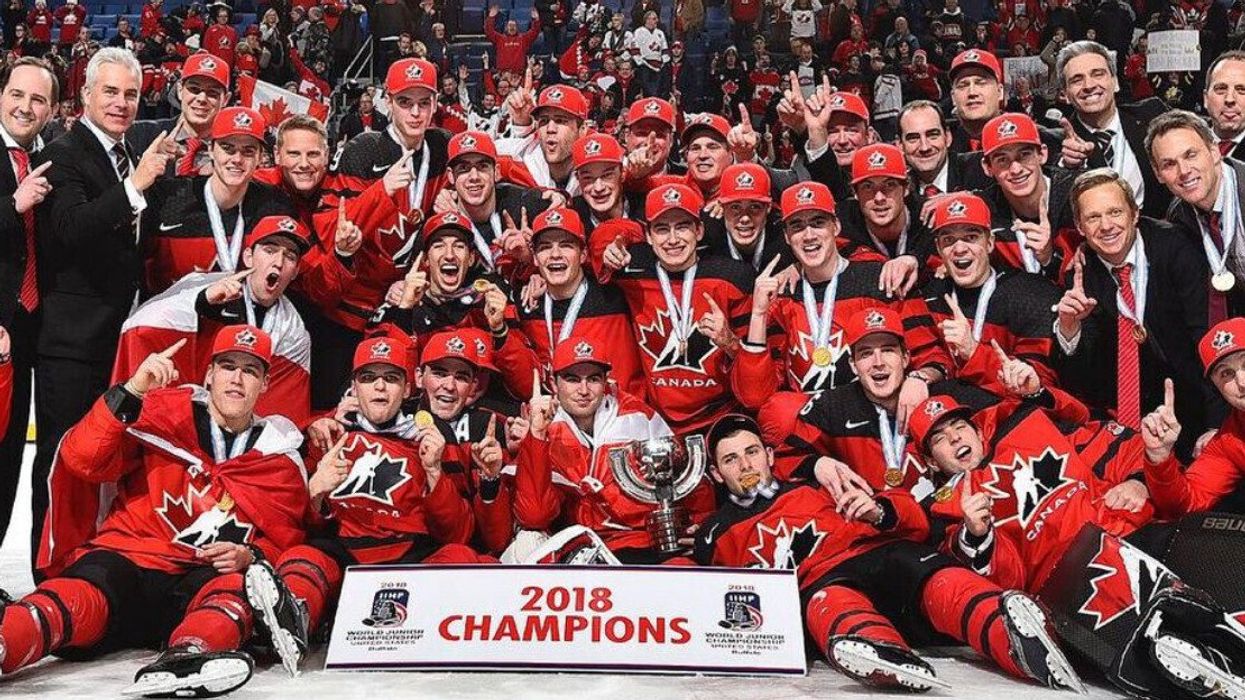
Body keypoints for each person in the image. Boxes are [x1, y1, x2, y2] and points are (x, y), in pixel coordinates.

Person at [695, 412, 1083, 693]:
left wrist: (879, 510)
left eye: (751, 452)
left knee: (934, 575)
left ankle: (1012, 634)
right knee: (829, 600)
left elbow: (913, 514)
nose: (746, 465)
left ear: (769, 455)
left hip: (876, 552)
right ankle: (882, 655)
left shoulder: (819, 483)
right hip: (817, 582)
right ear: (715, 473)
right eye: (731, 459)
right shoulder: (714, 532)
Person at [23, 325, 308, 698]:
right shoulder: (160, 414)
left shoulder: (278, 456)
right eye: (227, 366)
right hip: (129, 562)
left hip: (196, 584)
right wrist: (132, 390)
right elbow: (83, 458)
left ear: (265, 384)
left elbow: (285, 540)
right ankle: (8, 639)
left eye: (250, 371)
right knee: (76, 594)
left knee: (235, 588)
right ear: (209, 374)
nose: (237, 379)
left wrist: (251, 554)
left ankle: (189, 655)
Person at [913, 383, 1245, 700]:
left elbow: (1114, 442)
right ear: (931, 461)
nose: (955, 437)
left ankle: (1226, 643)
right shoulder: (948, 508)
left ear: (975, 427)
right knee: (1151, 645)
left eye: (958, 425)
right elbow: (1009, 579)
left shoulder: (1029, 427)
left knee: (1221, 547)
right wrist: (979, 533)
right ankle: (1207, 662)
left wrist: (1138, 481)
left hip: (1128, 531)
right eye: (940, 439)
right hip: (1075, 583)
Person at [243, 334, 492, 676]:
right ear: (353, 387)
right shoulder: (326, 437)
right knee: (302, 558)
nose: (379, 388)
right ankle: (293, 620)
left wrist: (434, 471)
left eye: (390, 379)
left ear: (407, 389)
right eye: (368, 378)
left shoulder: (434, 444)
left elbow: (458, 534)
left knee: (462, 558)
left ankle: (445, 634)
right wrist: (314, 491)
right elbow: (295, 527)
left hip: (408, 557)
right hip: (345, 555)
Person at [34, 47, 175, 567]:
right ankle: (48, 571)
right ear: (86, 94)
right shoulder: (65, 153)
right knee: (62, 463)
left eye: (131, 94)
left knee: (107, 461)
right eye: (110, 92)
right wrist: (135, 186)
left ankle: (91, 572)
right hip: (72, 343)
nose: (121, 103)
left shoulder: (130, 155)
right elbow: (71, 230)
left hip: (120, 341)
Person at [732, 182, 945, 406]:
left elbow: (933, 357)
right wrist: (757, 314)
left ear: (836, 226)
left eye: (818, 223)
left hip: (873, 420)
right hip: (812, 426)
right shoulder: (780, 296)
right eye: (797, 226)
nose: (808, 235)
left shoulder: (881, 280)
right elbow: (754, 397)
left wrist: (919, 378)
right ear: (786, 236)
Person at [513, 335, 715, 563]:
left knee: (682, 567)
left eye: (593, 379)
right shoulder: (543, 425)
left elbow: (690, 480)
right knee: (527, 541)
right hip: (578, 550)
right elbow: (534, 516)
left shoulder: (638, 415)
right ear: (553, 382)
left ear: (606, 380)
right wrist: (537, 436)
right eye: (572, 379)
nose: (584, 390)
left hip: (643, 544)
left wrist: (701, 525)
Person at [1053, 168, 1213, 453]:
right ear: (1079, 227)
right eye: (1093, 217)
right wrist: (1069, 329)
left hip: (1197, 399)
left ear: (1134, 214)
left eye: (1115, 212)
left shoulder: (1175, 246)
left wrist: (1216, 422)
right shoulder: (1079, 276)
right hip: (1134, 419)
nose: (1106, 225)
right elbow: (1083, 380)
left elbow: (1206, 336)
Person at [114, 215, 314, 425]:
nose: (279, 262)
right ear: (248, 257)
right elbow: (150, 320)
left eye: (290, 256)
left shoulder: (294, 330)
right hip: (185, 417)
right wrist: (203, 301)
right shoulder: (207, 286)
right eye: (270, 250)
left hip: (240, 426)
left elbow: (285, 410)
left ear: (296, 272)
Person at [599, 183, 753, 438]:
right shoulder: (630, 274)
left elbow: (757, 372)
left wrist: (730, 343)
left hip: (722, 419)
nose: (672, 239)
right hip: (656, 422)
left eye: (682, 226)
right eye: (662, 229)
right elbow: (591, 253)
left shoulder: (734, 277)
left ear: (699, 230)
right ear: (648, 236)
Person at [916, 191, 1062, 392]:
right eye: (948, 240)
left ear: (990, 243)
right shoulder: (929, 297)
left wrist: (973, 351)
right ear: (939, 249)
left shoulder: (1031, 295)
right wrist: (920, 377)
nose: (959, 248)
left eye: (971, 237)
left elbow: (1038, 386)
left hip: (1012, 417)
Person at [141, 106, 295, 295]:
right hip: (171, 319)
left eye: (248, 151)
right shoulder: (167, 197)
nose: (237, 159)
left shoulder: (275, 205)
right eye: (227, 148)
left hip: (243, 319)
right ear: (211, 150)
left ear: (259, 157)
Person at [0, 56, 55, 551]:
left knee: (10, 453)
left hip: (29, 329)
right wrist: (11, 206)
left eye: (37, 99)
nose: (25, 106)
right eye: (17, 95)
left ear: (52, 108)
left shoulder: (52, 158)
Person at [516, 207, 645, 397]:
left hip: (620, 417)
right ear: (535, 258)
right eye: (545, 247)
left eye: (566, 245)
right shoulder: (528, 303)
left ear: (583, 254)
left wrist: (611, 246)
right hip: (561, 418)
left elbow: (635, 230)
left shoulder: (613, 292)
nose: (555, 254)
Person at [1055, 40, 1171, 219]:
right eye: (1077, 80)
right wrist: (1069, 168)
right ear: (1065, 94)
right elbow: (1057, 209)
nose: (1089, 85)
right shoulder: (1058, 143)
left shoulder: (1153, 115)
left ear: (1115, 82)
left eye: (1098, 74)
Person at [1143, 318, 1245, 516]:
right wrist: (1159, 458)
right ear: (1217, 389)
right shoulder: (1227, 443)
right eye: (1226, 374)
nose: (1242, 381)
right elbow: (1185, 504)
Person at [129, 52, 231, 178]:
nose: (202, 98)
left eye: (212, 93)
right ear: (180, 90)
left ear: (225, 99)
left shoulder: (232, 153)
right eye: (194, 89)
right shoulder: (139, 134)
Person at [1205, 51, 1245, 161]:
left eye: (1241, 90)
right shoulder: (1188, 141)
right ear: (1205, 98)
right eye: (1221, 89)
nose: (1229, 99)